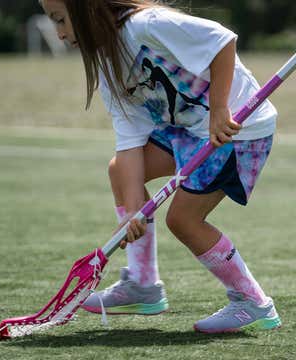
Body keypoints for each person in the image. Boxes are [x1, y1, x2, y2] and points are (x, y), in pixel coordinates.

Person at [39, 0, 282, 333]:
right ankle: (143, 286)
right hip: (189, 129)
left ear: (87, 9)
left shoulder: (146, 25)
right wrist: (132, 213)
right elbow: (130, 143)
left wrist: (218, 111)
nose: (61, 34)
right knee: (120, 173)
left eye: (60, 20)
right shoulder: (109, 65)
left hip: (238, 129)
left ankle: (254, 302)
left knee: (183, 220)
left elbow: (222, 42)